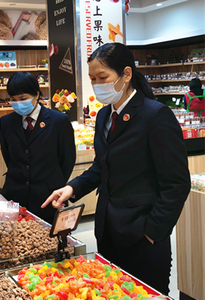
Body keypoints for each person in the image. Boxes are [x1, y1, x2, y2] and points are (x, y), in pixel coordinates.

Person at [42, 43, 191, 294]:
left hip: (142, 236)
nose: (97, 84)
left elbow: (176, 183)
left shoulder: (155, 116)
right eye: (92, 79)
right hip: (108, 230)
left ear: (127, 74)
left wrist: (153, 232)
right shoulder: (103, 116)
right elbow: (102, 166)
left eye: (103, 78)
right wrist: (71, 188)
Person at [0, 71, 76, 224]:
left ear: (36, 95)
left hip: (49, 196)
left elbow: (67, 159)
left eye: (23, 98)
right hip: (15, 196)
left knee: (51, 241)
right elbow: (8, 156)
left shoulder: (58, 121)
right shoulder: (6, 122)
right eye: (13, 99)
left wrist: (54, 182)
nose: (18, 103)